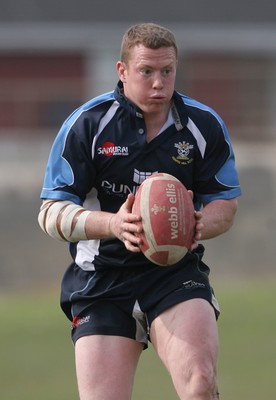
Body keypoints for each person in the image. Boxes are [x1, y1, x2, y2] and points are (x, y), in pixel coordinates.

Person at [38, 22, 241, 400]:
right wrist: (115, 224)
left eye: (167, 71)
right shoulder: (88, 125)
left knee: (200, 383)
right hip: (101, 279)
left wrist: (199, 223)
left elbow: (225, 205)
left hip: (175, 273)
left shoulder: (202, 126)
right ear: (122, 71)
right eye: (146, 71)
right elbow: (51, 212)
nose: (158, 84)